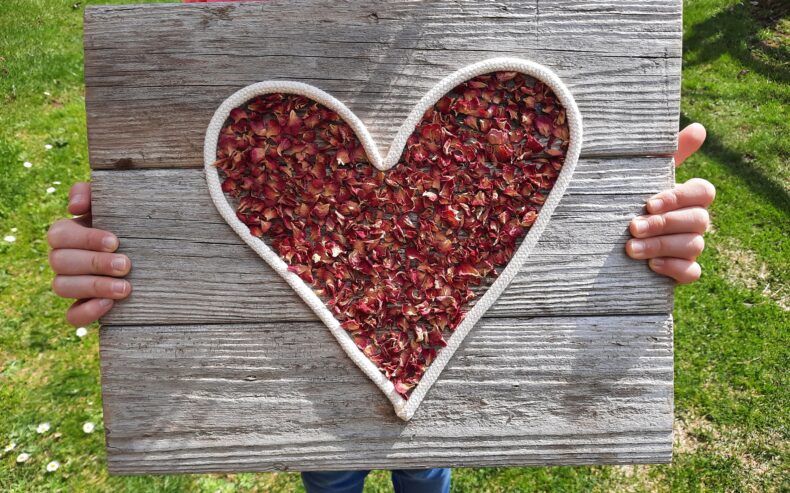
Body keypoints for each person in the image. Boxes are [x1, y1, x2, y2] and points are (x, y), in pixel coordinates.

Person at [47, 123, 715, 493]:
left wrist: (641, 216)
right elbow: (164, 139)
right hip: (316, 374)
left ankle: (418, 466)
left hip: (439, 363)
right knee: (334, 458)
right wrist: (132, 237)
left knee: (422, 452)